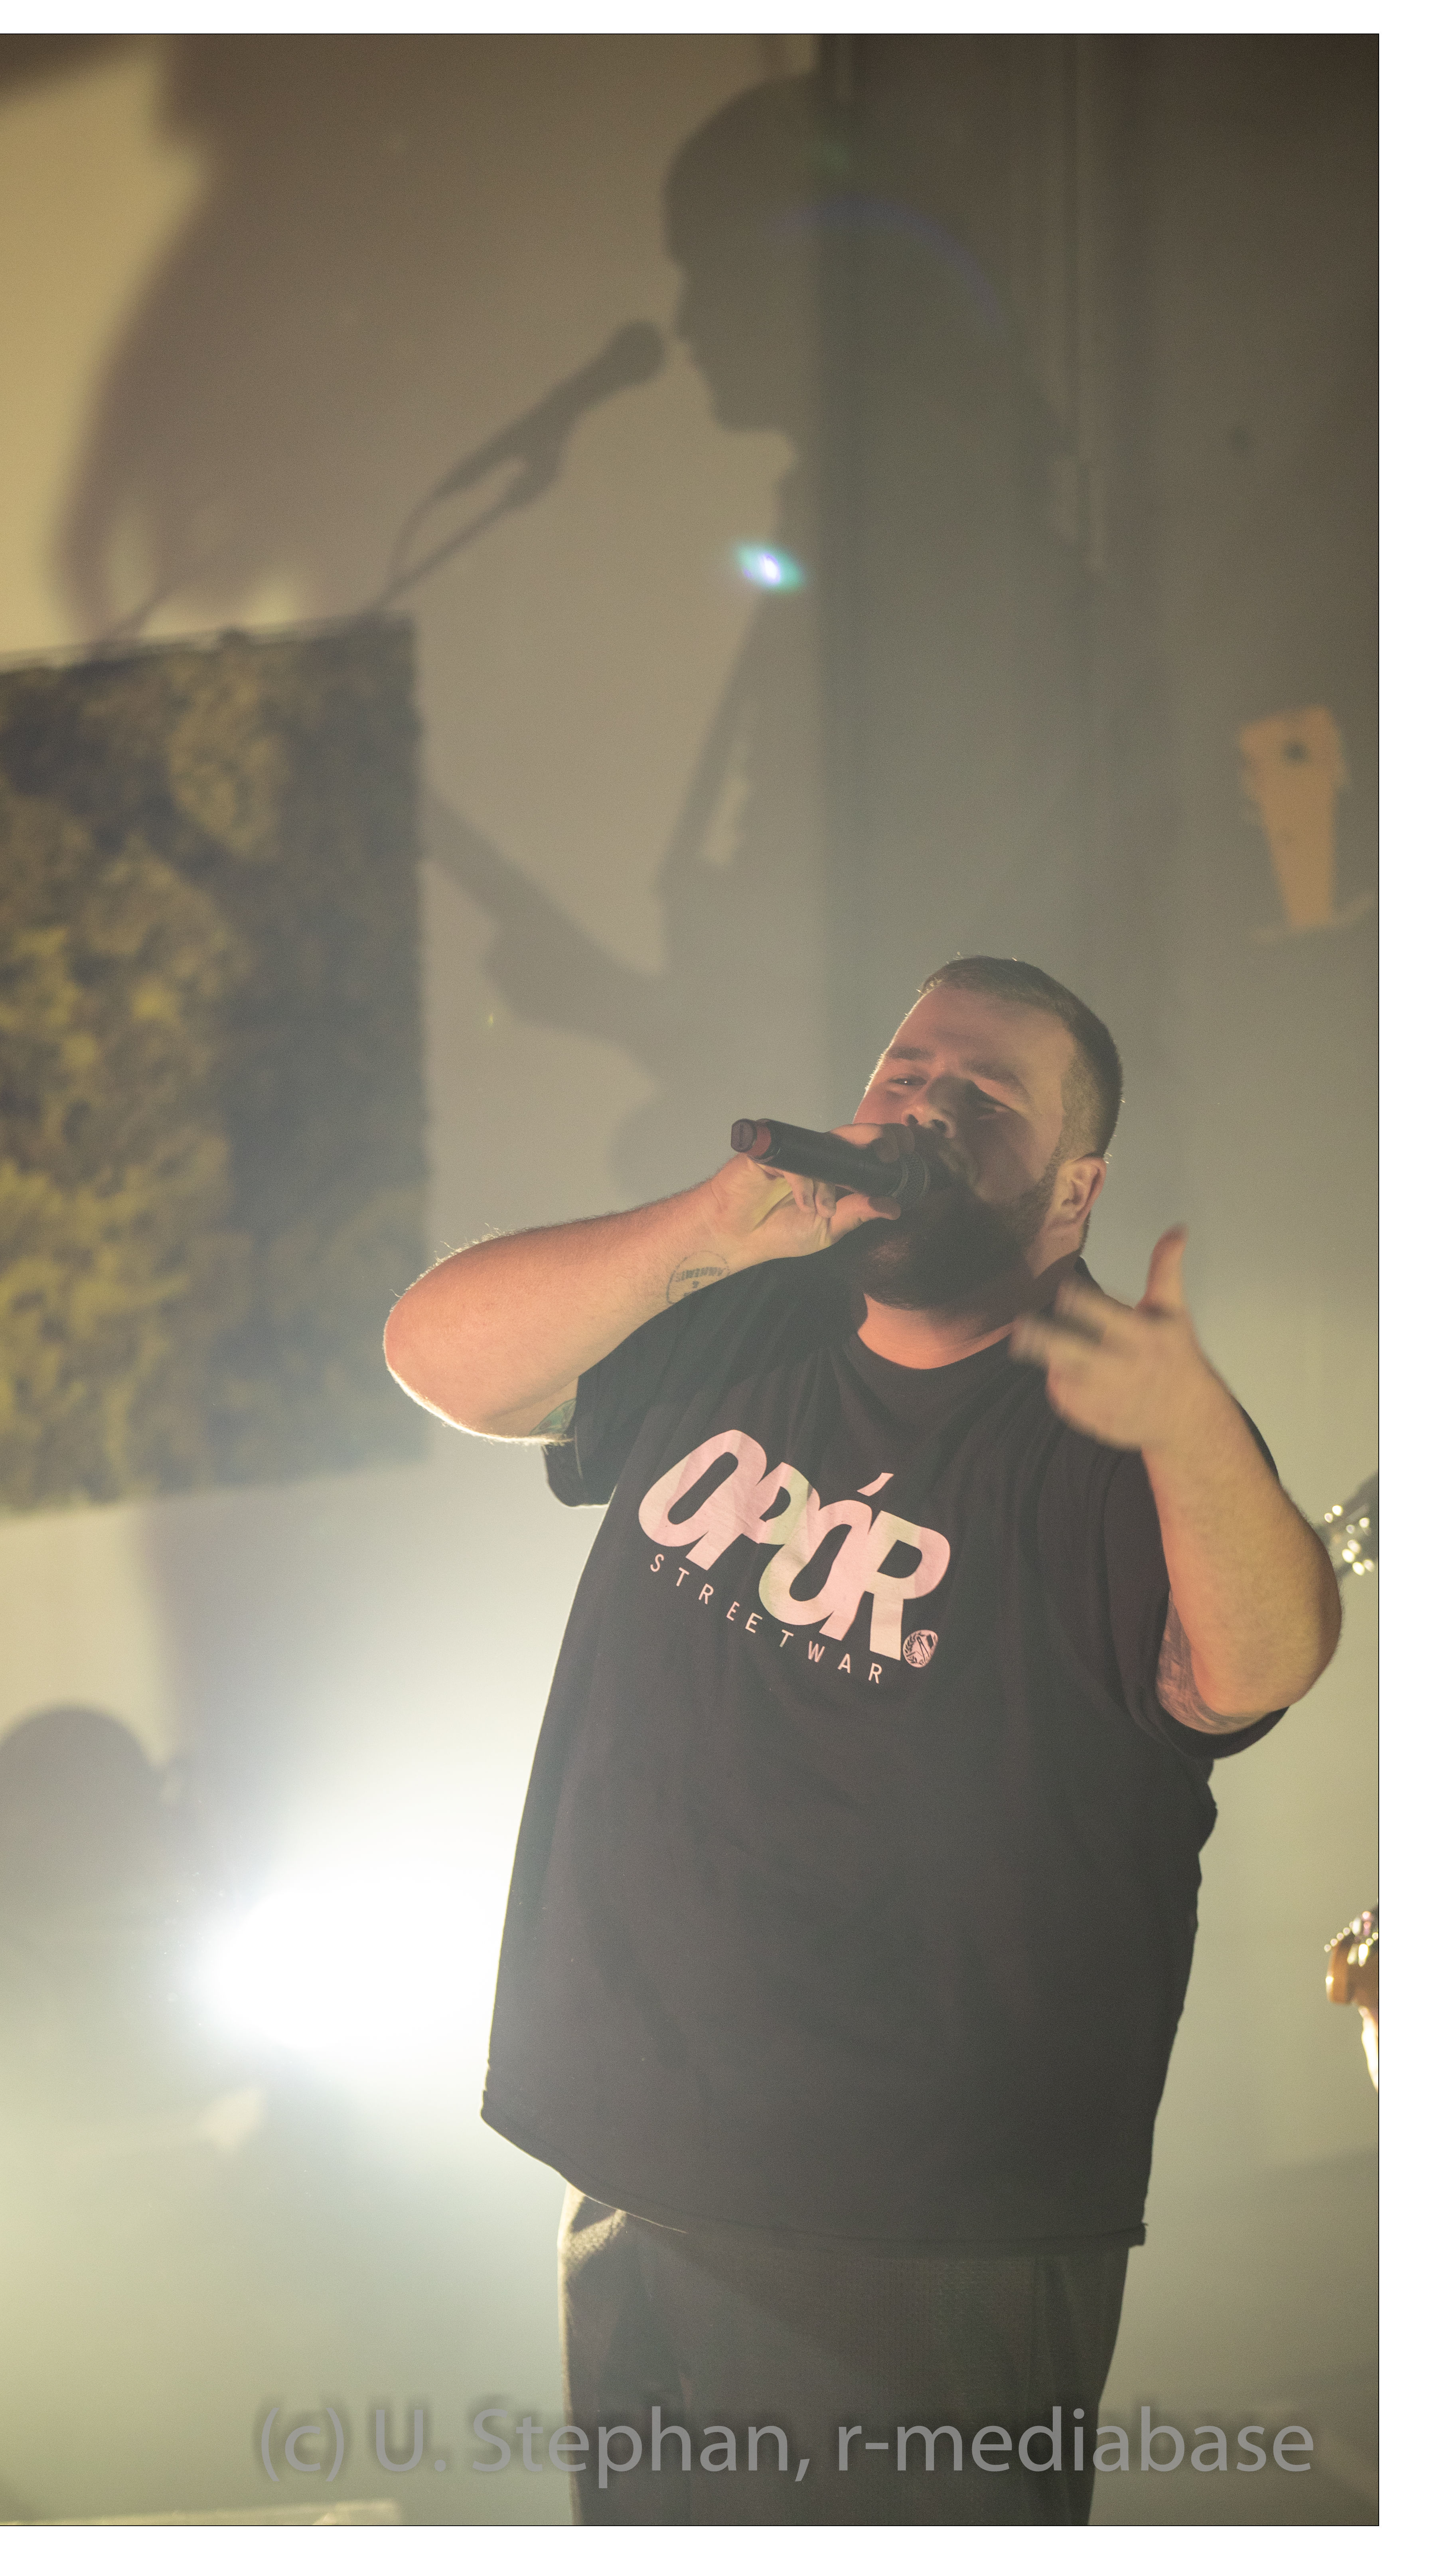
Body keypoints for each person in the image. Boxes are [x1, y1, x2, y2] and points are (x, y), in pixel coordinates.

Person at [383, 954, 1341, 2526]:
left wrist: (1188, 1428)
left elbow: (1258, 1667)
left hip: (921, 2232)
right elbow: (442, 1359)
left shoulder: (1108, 1408)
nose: (926, 1106)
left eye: (987, 1097)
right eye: (907, 1072)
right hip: (642, 2156)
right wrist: (704, 1228)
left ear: (1075, 1190)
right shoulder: (747, 1312)